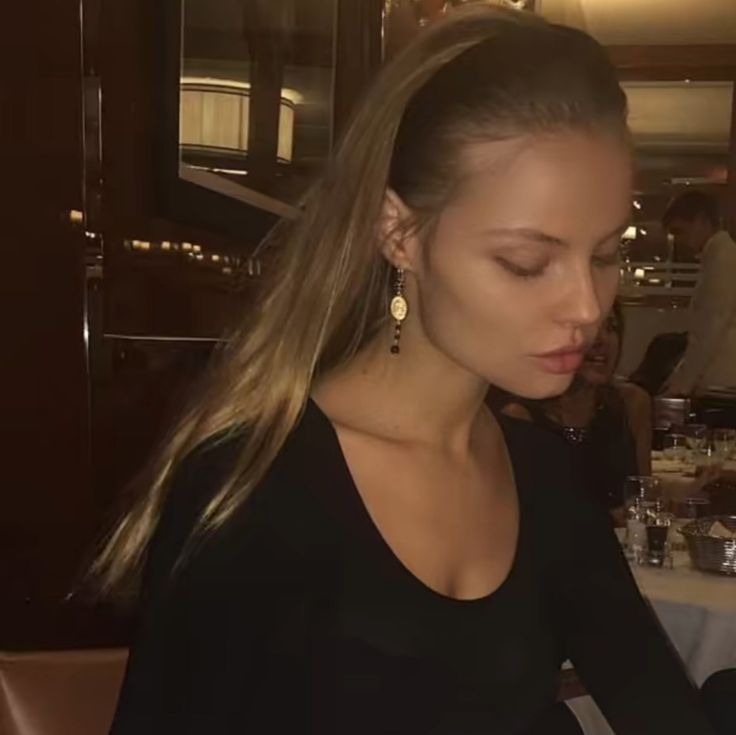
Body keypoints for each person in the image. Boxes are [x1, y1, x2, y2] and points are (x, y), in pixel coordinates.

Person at [94, 8, 714, 734]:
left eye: (605, 255)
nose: (586, 304)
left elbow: (661, 708)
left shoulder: (542, 476)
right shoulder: (255, 486)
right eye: (527, 262)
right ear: (400, 233)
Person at [491, 302, 652, 519]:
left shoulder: (632, 404)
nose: (602, 340)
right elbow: (526, 518)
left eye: (611, 328)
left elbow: (645, 496)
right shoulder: (520, 415)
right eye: (587, 329)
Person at [662, 191, 736, 396]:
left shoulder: (723, 259)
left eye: (680, 231)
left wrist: (682, 385)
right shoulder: (718, 257)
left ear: (702, 220)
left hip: (723, 377)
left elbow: (711, 328)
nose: (679, 240)